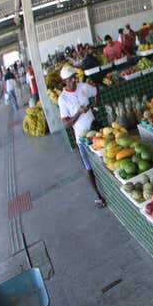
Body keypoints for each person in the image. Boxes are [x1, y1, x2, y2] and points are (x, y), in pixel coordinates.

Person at [58, 64, 106, 208]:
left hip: (95, 130)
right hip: (82, 137)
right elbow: (66, 124)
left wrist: (96, 107)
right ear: (65, 82)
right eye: (70, 79)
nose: (73, 80)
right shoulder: (63, 99)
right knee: (88, 167)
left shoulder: (83, 87)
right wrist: (79, 112)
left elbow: (97, 91)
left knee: (104, 157)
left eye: (74, 77)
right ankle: (98, 195)